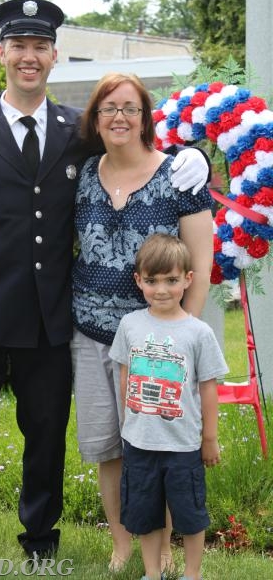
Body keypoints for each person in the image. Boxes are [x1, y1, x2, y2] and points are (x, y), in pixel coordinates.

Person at [0, 0, 209, 574]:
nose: (29, 57)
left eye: (40, 47)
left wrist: (193, 157)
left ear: (54, 56)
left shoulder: (78, 132)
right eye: (19, 47)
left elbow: (138, 147)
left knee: (46, 435)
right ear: (2, 53)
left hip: (51, 318)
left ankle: (39, 538)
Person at [71, 72, 214, 573]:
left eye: (130, 108)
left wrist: (179, 338)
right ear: (95, 117)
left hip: (158, 348)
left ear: (146, 117)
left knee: (159, 448)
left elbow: (201, 262)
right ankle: (122, 542)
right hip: (90, 337)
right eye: (109, 108)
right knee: (110, 446)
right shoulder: (85, 172)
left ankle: (166, 545)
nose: (119, 117)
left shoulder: (178, 177)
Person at [109, 233, 228, 580]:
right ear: (139, 281)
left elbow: (208, 389)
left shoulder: (198, 332)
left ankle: (192, 573)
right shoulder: (130, 325)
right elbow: (125, 378)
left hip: (183, 445)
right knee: (146, 516)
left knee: (190, 515)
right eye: (152, 280)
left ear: (187, 280)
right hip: (140, 443)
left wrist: (210, 438)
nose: (161, 289)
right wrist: (127, 424)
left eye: (171, 280)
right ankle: (151, 572)